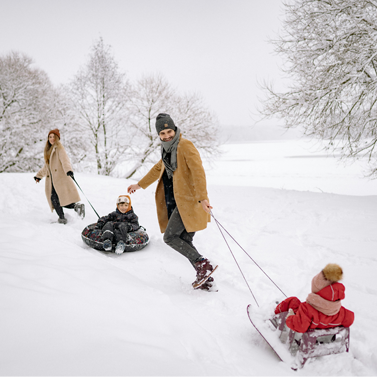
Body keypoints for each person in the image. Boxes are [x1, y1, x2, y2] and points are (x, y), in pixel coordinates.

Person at [127, 113, 217, 291]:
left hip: (190, 202)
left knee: (170, 237)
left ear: (175, 130)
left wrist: (202, 198)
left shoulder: (184, 145)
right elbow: (157, 169)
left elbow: (198, 172)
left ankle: (202, 264)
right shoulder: (168, 150)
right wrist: (139, 185)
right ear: (159, 135)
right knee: (183, 239)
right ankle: (205, 278)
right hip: (176, 202)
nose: (166, 135)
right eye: (162, 133)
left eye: (169, 131)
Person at [275, 263, 355, 333]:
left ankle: (275, 315)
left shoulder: (306, 309)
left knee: (293, 300)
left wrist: (290, 317)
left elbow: (299, 326)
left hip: (302, 319)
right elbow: (350, 318)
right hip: (315, 324)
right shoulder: (341, 312)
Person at [34, 129, 84, 224]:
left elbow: (65, 161)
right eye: (50, 137)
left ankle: (62, 218)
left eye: (54, 137)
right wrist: (39, 176)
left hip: (59, 179)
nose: (52, 139)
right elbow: (46, 167)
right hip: (52, 181)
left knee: (56, 199)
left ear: (57, 138)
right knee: (57, 199)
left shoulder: (59, 148)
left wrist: (68, 170)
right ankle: (74, 208)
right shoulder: (49, 150)